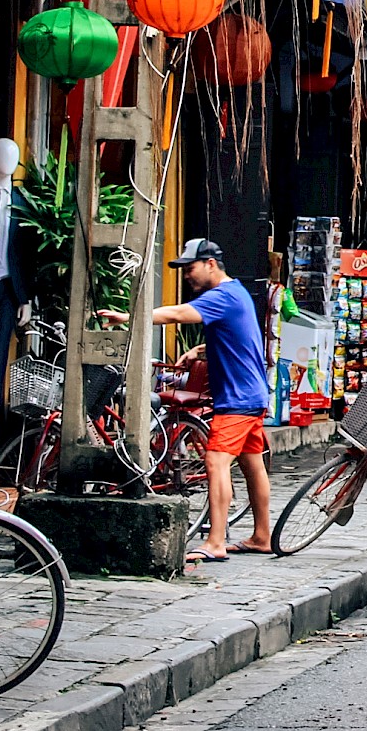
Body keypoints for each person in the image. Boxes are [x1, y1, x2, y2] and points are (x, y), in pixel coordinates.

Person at [146, 239, 273, 562]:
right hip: (251, 393)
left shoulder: (221, 296)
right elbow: (237, 337)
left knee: (216, 461)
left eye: (190, 268)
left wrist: (130, 317)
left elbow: (178, 314)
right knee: (251, 463)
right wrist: (200, 350)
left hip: (237, 398)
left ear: (211, 264)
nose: (187, 275)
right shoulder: (238, 293)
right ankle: (262, 536)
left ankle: (215, 541)